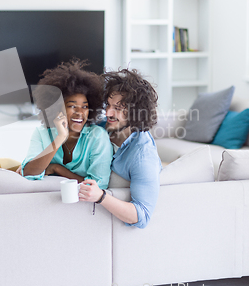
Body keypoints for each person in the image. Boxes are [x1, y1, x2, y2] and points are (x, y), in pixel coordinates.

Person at [79, 68, 162, 229]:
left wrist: (101, 196)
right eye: (108, 105)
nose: (108, 113)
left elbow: (142, 215)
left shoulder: (143, 156)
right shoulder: (102, 127)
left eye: (117, 108)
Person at [20, 60, 113, 189]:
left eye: (85, 107)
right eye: (72, 106)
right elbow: (29, 173)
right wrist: (60, 138)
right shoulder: (42, 133)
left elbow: (99, 185)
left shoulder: (97, 136)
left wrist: (58, 169)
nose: (80, 112)